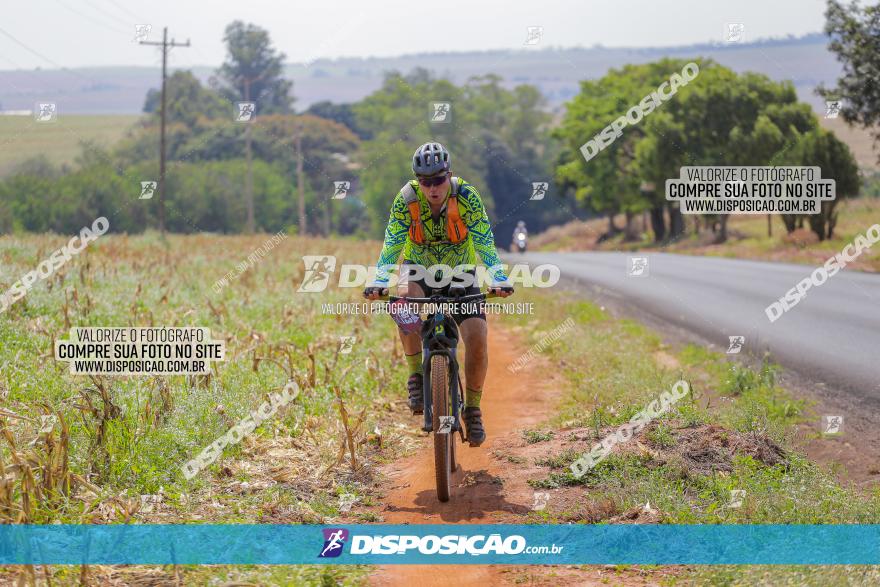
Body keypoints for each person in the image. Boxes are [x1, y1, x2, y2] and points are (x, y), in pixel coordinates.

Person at [363, 142, 513, 446]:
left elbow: (484, 239)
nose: (432, 188)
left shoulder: (467, 196)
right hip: (418, 267)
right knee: (404, 306)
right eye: (425, 181)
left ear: (450, 175)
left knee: (478, 340)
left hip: (460, 271)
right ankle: (416, 375)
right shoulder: (406, 199)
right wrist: (379, 280)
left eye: (438, 180)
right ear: (418, 180)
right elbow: (392, 242)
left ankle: (472, 410)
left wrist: (498, 277)